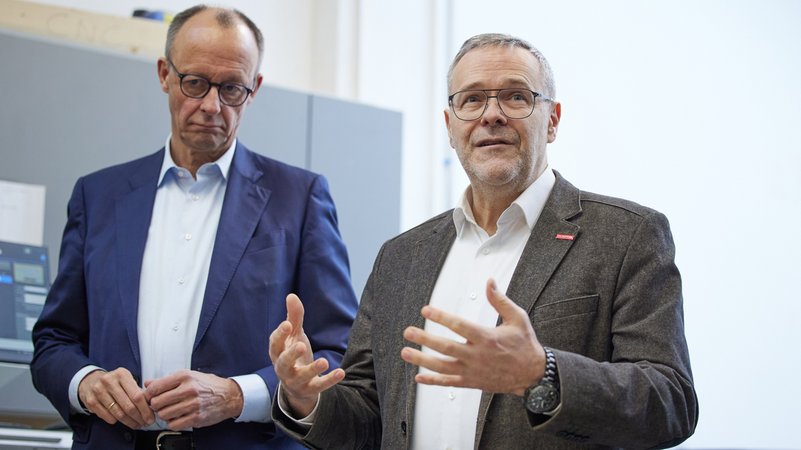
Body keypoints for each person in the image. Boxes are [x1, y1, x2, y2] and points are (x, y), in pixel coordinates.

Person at [269, 33, 698, 449]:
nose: (491, 115)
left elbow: (670, 404)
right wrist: (306, 398)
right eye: (471, 99)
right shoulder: (400, 256)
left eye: (516, 96)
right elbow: (368, 417)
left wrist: (542, 373)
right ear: (450, 126)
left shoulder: (626, 236)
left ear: (552, 120)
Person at [30, 5, 358, 450]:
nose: (211, 105)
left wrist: (239, 395)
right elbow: (54, 341)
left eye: (232, 89)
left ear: (255, 88)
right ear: (165, 74)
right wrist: (85, 382)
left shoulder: (299, 200)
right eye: (195, 83)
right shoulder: (98, 197)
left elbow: (336, 352)